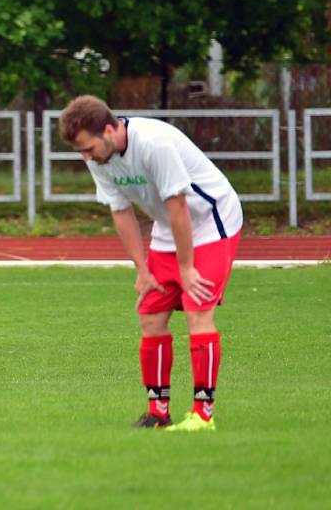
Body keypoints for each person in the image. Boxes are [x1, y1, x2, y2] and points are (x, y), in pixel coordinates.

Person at [59, 95, 243, 431]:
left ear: (110, 130)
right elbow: (121, 212)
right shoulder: (98, 159)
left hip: (211, 221)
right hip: (168, 228)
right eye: (80, 151)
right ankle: (158, 413)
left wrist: (187, 268)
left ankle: (203, 414)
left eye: (88, 148)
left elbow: (180, 208)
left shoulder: (155, 144)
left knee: (197, 310)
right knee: (150, 316)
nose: (86, 157)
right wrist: (142, 269)